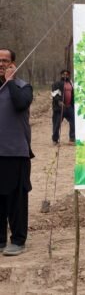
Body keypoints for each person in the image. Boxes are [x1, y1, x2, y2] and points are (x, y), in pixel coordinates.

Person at [0, 48, 33, 256]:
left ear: (13, 64)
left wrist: (10, 81)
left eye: (5, 60)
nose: (1, 64)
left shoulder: (23, 87)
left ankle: (18, 240)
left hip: (15, 153)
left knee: (16, 199)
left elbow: (21, 104)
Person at [51, 69, 75, 144]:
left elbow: (73, 94)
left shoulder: (71, 84)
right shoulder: (57, 84)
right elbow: (55, 94)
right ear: (61, 75)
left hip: (69, 107)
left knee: (73, 122)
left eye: (67, 74)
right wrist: (59, 101)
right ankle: (55, 139)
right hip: (60, 108)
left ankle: (72, 139)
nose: (65, 76)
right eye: (64, 74)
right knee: (57, 124)